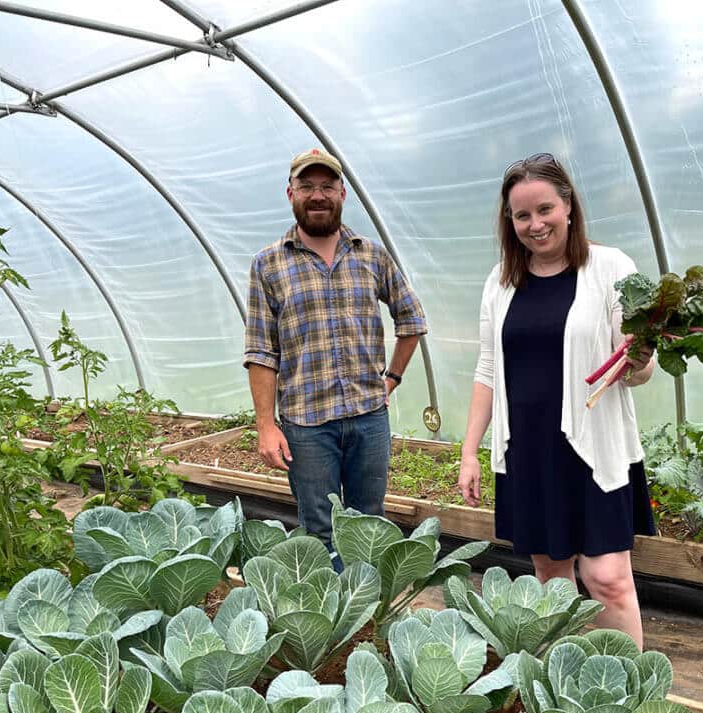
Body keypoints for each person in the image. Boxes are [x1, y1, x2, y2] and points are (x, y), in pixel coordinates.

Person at [457, 153, 657, 647]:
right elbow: (487, 369)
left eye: (544, 209)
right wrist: (470, 451)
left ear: (568, 205)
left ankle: (628, 693)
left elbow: (636, 369)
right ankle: (570, 686)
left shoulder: (611, 269)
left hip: (592, 451)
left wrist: (642, 355)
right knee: (553, 581)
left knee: (609, 580)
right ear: (510, 220)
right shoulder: (500, 280)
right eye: (522, 215)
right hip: (527, 452)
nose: (535, 224)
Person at [244, 148, 427, 569]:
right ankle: (332, 623)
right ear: (290, 193)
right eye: (307, 186)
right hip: (307, 426)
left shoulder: (371, 255)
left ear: (343, 193)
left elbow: (412, 319)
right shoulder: (269, 264)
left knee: (368, 525)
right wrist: (266, 425)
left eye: (327, 186)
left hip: (368, 416)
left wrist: (392, 379)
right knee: (320, 530)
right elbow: (260, 350)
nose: (318, 195)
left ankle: (366, 613)